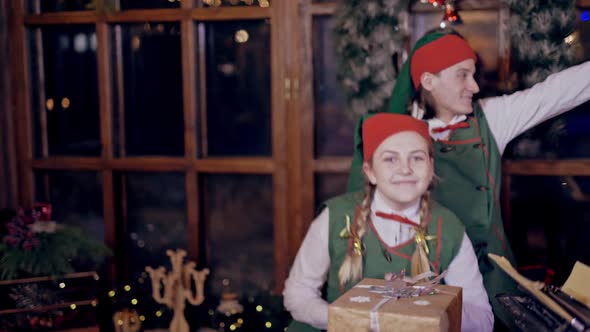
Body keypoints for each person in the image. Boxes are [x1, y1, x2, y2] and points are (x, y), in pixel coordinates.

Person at [346, 29, 590, 329]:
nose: (474, 86)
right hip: (423, 282)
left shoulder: (492, 118)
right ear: (428, 81)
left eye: (473, 74)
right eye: (462, 75)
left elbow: (555, 92)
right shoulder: (395, 136)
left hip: (493, 283)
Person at [284, 113, 493, 332]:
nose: (405, 169)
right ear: (370, 172)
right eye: (391, 159)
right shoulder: (335, 218)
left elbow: (482, 320)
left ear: (431, 168)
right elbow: (297, 293)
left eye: (417, 158)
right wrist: (352, 320)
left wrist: (431, 305)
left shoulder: (449, 228)